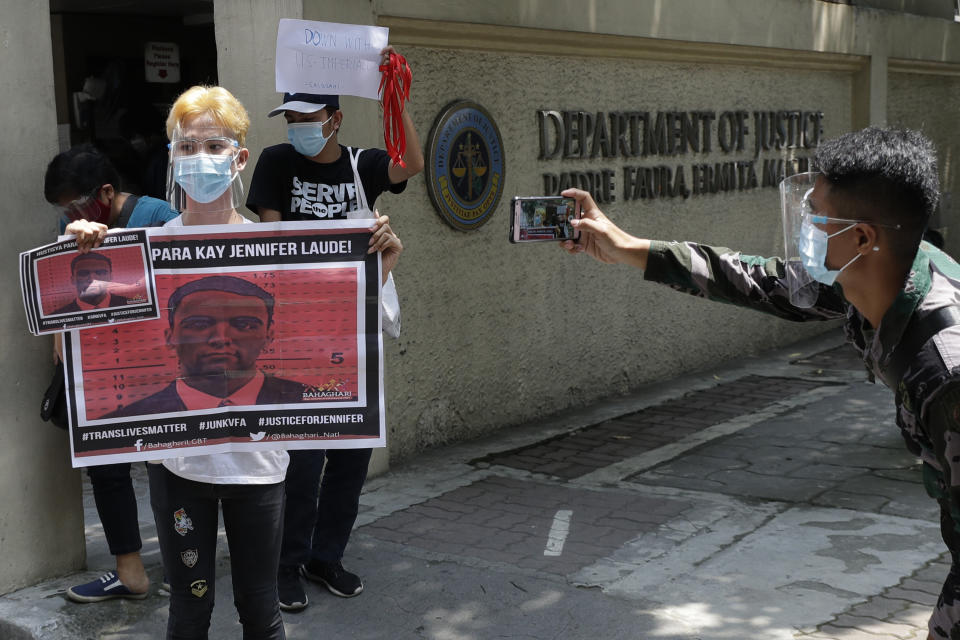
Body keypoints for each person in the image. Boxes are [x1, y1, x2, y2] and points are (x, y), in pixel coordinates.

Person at [560, 126, 960, 640]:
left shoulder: (946, 372)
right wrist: (628, 247)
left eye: (816, 217)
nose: (805, 230)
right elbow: (762, 281)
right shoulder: (879, 272)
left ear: (862, 237)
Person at [145, 84, 402, 639]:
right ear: (171, 157)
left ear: (239, 159)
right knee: (188, 611)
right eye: (186, 147)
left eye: (213, 146)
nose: (198, 159)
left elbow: (330, 331)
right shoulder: (147, 250)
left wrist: (377, 268)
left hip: (257, 466)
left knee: (260, 610)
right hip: (179, 469)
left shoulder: (279, 249)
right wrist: (84, 245)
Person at [245, 45, 421, 612]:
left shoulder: (363, 164)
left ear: (335, 120)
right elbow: (273, 249)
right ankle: (287, 563)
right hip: (296, 337)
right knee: (303, 457)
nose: (297, 128)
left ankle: (329, 556)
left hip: (356, 333)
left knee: (351, 454)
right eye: (291, 119)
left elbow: (411, 164)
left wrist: (396, 97)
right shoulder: (275, 163)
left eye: (308, 119)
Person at [42, 145, 177, 603]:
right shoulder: (70, 227)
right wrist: (60, 343)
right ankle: (130, 571)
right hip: (102, 368)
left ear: (105, 192)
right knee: (106, 466)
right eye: (62, 210)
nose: (66, 216)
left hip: (158, 365)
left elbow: (181, 281)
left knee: (169, 466)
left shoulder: (158, 215)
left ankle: (185, 563)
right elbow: (62, 292)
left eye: (73, 206)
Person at [106, 276, 307, 418]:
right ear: (170, 337)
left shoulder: (309, 404)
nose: (220, 338)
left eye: (244, 325)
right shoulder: (130, 417)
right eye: (199, 324)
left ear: (269, 336)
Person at [53, 253, 130, 314]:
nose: (93, 279)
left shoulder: (131, 306)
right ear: (73, 280)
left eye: (101, 272)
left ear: (111, 277)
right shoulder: (57, 316)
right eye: (83, 273)